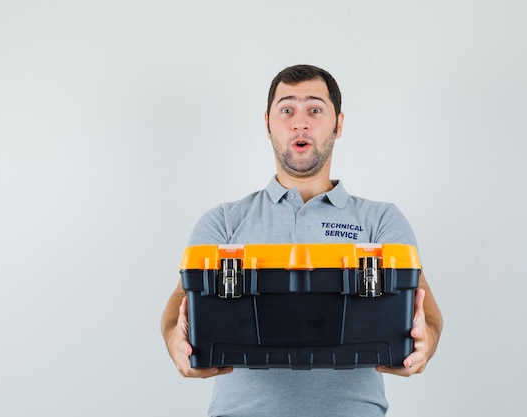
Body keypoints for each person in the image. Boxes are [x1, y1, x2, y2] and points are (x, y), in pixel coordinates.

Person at [161, 64, 443, 416]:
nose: (300, 122)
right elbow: (180, 300)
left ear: (338, 124)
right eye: (287, 110)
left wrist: (426, 339)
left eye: (314, 109)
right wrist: (175, 336)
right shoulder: (223, 221)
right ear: (267, 124)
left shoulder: (381, 220)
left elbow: (423, 301)